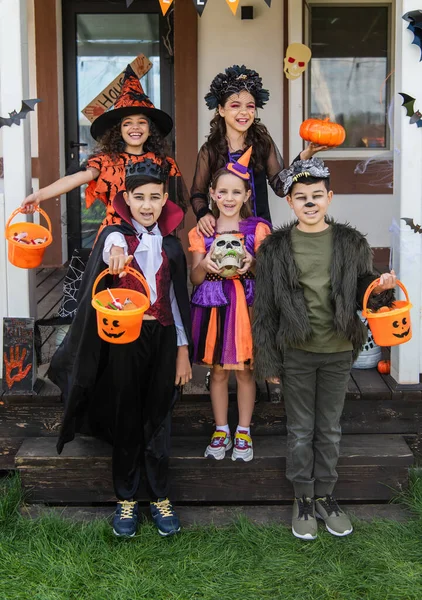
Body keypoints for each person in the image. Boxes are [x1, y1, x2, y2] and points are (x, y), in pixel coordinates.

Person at [48, 158, 192, 538]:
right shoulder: (116, 237)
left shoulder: (172, 246)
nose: (147, 205)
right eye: (139, 197)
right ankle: (126, 498)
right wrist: (114, 251)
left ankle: (160, 496)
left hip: (162, 338)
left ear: (164, 201)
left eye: (155, 197)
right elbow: (113, 242)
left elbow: (177, 301)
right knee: (127, 414)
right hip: (124, 341)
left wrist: (182, 349)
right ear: (126, 198)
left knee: (159, 417)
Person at [253, 158, 396, 540]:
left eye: (317, 195)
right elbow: (264, 307)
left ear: (330, 198)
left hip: (337, 349)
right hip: (297, 351)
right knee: (301, 429)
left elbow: (365, 286)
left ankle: (326, 496)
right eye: (302, 197)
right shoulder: (275, 249)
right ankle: (302, 498)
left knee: (329, 428)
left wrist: (381, 289)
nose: (310, 202)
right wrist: (267, 357)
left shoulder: (351, 243)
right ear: (290, 202)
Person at [20, 65, 188, 233]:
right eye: (127, 123)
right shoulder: (106, 161)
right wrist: (39, 196)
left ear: (150, 129)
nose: (135, 128)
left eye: (142, 122)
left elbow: (170, 202)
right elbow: (73, 179)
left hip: (151, 233)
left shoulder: (163, 162)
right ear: (119, 130)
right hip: (115, 234)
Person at [188, 148, 271, 462]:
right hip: (215, 306)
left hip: (246, 307)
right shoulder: (202, 232)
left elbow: (266, 273)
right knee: (219, 371)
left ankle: (243, 432)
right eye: (222, 191)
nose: (229, 197)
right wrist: (206, 264)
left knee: (247, 372)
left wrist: (252, 263)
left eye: (236, 192)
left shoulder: (258, 230)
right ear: (212, 193)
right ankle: (221, 428)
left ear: (247, 193)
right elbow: (195, 278)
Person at [191, 64, 327, 236]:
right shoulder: (209, 150)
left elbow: (280, 186)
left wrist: (306, 155)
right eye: (235, 106)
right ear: (221, 110)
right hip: (223, 233)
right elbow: (197, 193)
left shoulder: (262, 143)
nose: (244, 112)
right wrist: (203, 214)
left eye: (250, 106)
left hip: (260, 233)